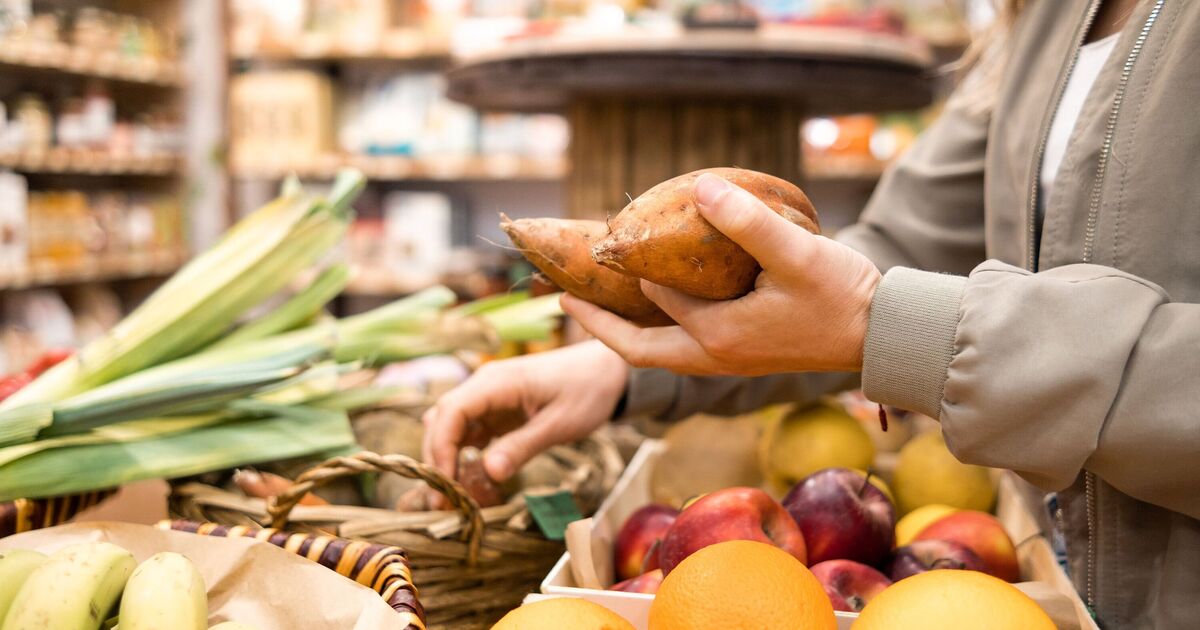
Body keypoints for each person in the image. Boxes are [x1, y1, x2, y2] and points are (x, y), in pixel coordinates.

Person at [424, 1, 1200, 627]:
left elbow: (879, 299)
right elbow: (897, 246)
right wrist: (621, 369)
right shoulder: (1039, 22)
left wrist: (893, 329)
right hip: (1033, 582)